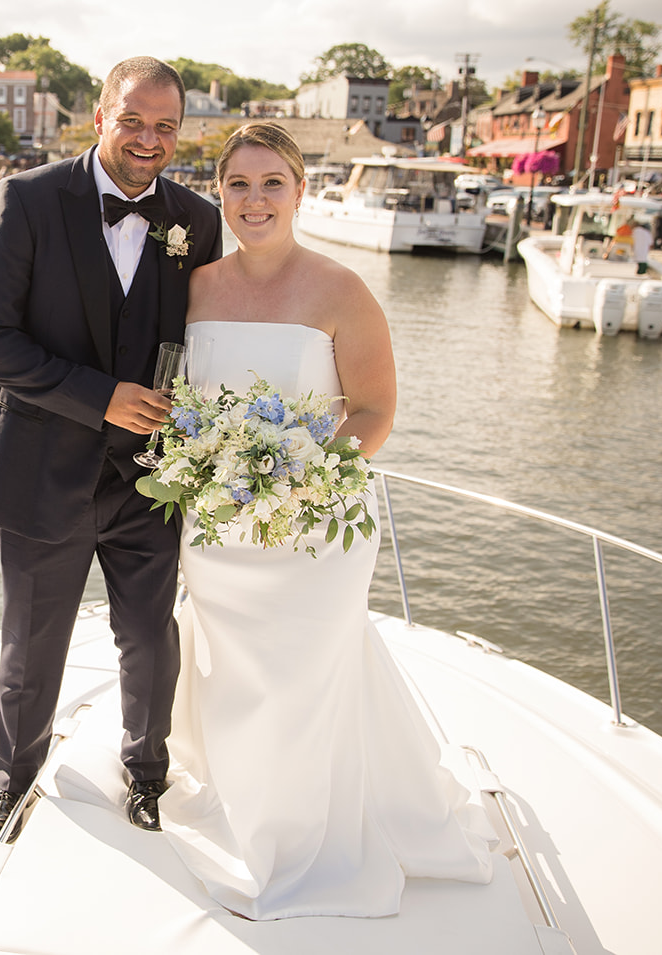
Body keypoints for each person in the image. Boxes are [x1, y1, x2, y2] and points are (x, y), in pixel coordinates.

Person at [157, 121, 493, 919]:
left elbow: (375, 410)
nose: (255, 199)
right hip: (217, 523)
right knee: (233, 670)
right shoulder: (195, 287)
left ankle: (302, 829)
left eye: (273, 182)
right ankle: (242, 799)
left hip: (315, 521)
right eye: (239, 184)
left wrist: (300, 477)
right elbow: (180, 396)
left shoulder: (343, 289)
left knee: (304, 669)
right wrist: (210, 464)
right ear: (220, 194)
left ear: (302, 191)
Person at [0, 57, 223, 848]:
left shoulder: (198, 220)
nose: (149, 139)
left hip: (150, 476)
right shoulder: (30, 199)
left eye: (166, 126)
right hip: (42, 471)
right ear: (100, 115)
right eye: (133, 120)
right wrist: (100, 395)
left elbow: (199, 337)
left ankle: (147, 777)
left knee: (150, 636)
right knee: (32, 642)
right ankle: (13, 780)